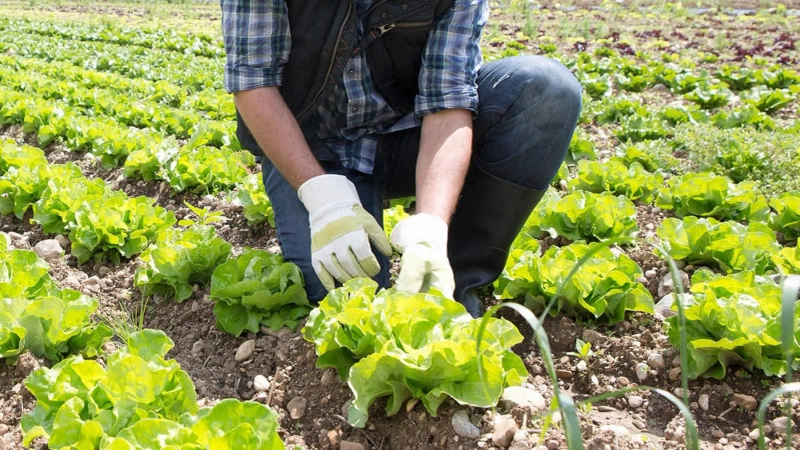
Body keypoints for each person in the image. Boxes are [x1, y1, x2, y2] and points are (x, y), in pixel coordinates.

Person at [221, 0, 582, 317]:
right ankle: (329, 200)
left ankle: (455, 283)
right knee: (352, 298)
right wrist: (321, 198)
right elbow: (254, 83)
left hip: (408, 137)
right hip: (315, 152)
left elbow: (448, 101)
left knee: (545, 89)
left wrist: (431, 228)